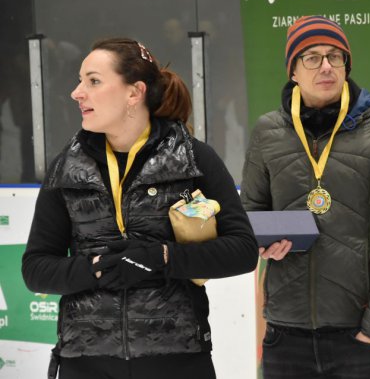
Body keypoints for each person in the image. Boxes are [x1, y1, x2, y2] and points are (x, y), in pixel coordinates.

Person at [21, 37, 259, 379]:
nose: (77, 92)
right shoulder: (66, 168)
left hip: (177, 359)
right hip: (85, 361)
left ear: (134, 93)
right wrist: (97, 270)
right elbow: (36, 268)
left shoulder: (194, 159)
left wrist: (162, 258)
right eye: (80, 80)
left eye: (93, 81)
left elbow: (243, 250)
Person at [240, 15, 370, 379]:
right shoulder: (267, 132)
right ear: (293, 70)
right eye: (312, 57)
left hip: (357, 335)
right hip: (285, 335)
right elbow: (248, 214)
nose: (325, 66)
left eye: (335, 56)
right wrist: (261, 243)